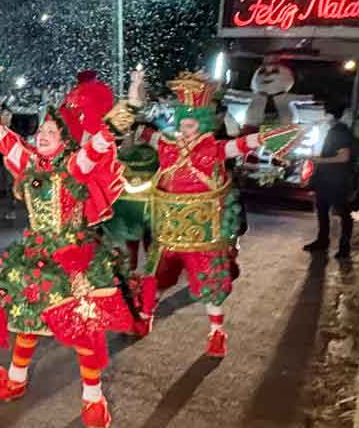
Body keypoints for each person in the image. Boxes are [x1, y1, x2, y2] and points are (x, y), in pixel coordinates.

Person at [0, 67, 136, 428]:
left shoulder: (74, 166)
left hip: (73, 258)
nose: (42, 136)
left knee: (83, 329)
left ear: (64, 140)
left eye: (50, 132)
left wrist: (131, 105)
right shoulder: (27, 162)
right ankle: (16, 379)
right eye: (40, 131)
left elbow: (102, 140)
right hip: (35, 254)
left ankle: (93, 398)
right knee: (28, 321)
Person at [130, 70, 304, 355]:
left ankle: (217, 332)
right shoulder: (166, 144)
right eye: (182, 124)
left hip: (203, 233)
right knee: (155, 277)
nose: (185, 129)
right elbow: (137, 128)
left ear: (201, 124)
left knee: (210, 282)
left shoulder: (213, 148)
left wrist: (272, 137)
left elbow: (243, 144)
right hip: (168, 229)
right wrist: (135, 93)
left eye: (190, 124)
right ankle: (145, 317)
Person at [303, 103, 354, 258]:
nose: (323, 116)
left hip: (337, 180)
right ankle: (322, 241)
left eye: (325, 113)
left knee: (343, 212)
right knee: (322, 210)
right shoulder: (333, 130)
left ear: (331, 115)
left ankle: (344, 247)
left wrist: (319, 161)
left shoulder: (340, 132)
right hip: (326, 179)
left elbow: (344, 157)